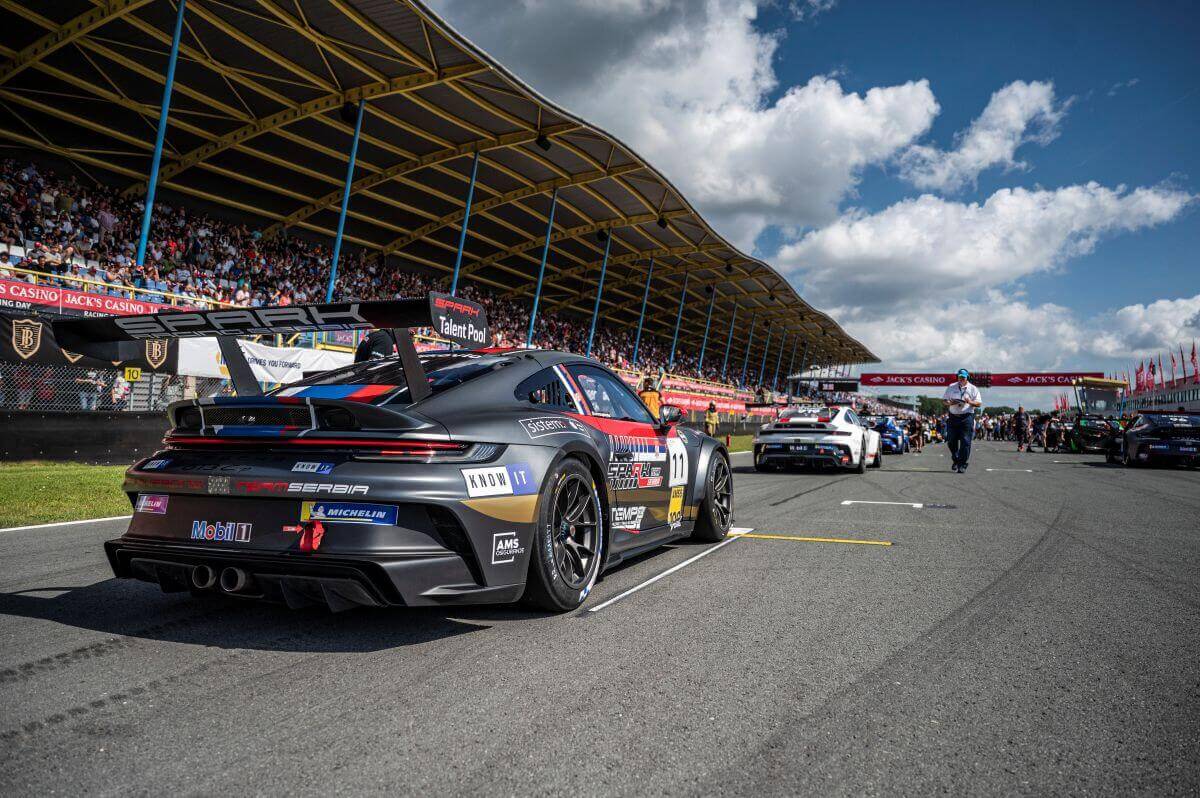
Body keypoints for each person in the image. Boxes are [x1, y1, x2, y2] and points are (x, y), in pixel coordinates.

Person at [942, 368, 982, 473]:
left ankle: (962, 464)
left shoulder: (973, 389)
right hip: (953, 417)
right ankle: (956, 459)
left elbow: (979, 403)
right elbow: (944, 401)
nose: (961, 379)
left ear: (967, 377)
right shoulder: (951, 387)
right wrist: (950, 403)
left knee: (965, 442)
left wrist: (970, 402)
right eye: (959, 377)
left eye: (963, 377)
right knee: (950, 440)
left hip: (966, 417)